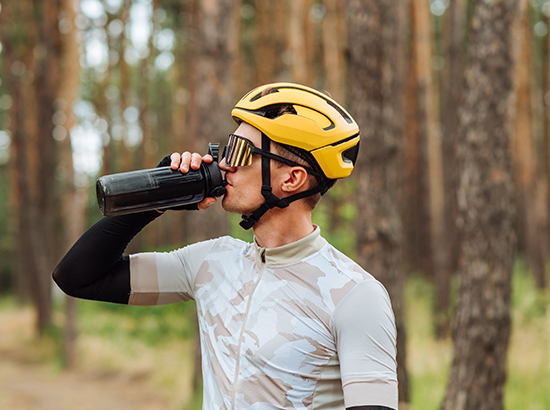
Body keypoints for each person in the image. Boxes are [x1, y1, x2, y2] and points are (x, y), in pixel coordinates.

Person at [53, 83, 398, 410]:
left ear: (291, 179)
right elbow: (78, 277)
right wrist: (157, 197)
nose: (223, 163)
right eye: (226, 147)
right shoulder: (212, 263)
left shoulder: (354, 295)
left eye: (240, 151)